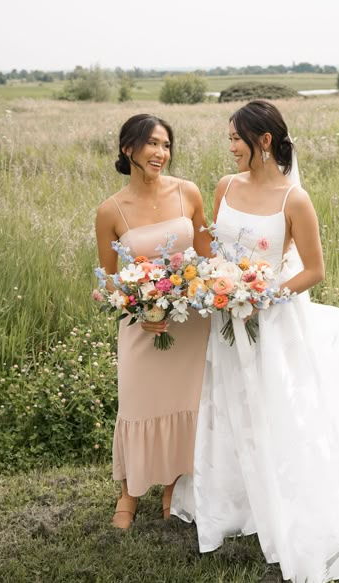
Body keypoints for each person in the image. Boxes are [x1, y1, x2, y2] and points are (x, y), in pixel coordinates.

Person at [172, 101, 339, 582]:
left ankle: (286, 504)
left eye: (235, 138)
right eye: (229, 138)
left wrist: (261, 295)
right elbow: (213, 248)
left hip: (271, 322)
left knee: (276, 408)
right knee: (229, 404)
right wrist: (216, 283)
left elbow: (315, 270)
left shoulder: (294, 200)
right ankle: (234, 502)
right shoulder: (225, 187)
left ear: (264, 141)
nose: (229, 147)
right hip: (225, 318)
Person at [96, 113, 211, 529]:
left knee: (186, 402)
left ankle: (173, 487)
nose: (161, 153)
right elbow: (111, 282)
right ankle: (129, 493)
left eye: (166, 145)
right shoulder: (110, 210)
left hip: (190, 321)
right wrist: (140, 310)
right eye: (152, 145)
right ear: (128, 149)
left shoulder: (189, 193)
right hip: (141, 326)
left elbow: (206, 257)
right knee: (138, 402)